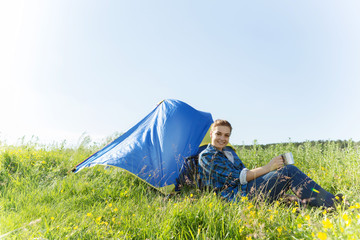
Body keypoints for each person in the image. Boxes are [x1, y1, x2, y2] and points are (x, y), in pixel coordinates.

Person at [198, 119, 340, 208]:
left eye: (226, 135)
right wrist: (268, 167)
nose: (222, 138)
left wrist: (271, 172)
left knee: (287, 178)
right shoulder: (206, 156)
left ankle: (324, 199)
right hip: (235, 198)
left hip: (246, 190)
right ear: (211, 134)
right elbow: (238, 177)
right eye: (218, 134)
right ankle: (333, 203)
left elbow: (245, 173)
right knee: (289, 171)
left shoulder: (229, 153)